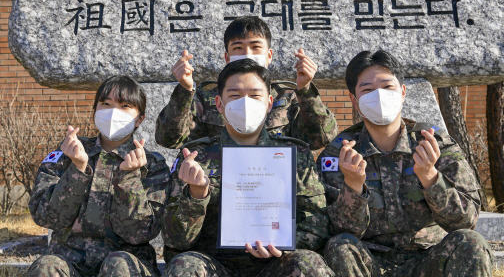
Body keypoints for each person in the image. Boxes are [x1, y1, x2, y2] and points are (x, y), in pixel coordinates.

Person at [319, 50, 493, 277]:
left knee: (472, 242)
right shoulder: (339, 153)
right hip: (370, 263)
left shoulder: (434, 144)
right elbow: (338, 231)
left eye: (387, 87)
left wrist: (431, 178)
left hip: (429, 259)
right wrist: (353, 187)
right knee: (339, 247)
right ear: (355, 100)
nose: (379, 96)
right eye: (368, 90)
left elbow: (465, 220)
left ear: (402, 92)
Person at [162, 59, 334, 277]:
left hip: (275, 265)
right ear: (219, 104)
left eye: (254, 95)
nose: (244, 103)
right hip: (214, 265)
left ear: (269, 103)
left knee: (309, 265)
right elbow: (175, 239)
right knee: (184, 266)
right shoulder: (196, 157)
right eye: (234, 95)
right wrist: (196, 195)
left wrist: (282, 245)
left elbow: (316, 224)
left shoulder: (294, 154)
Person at [27, 76, 171, 277]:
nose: (113, 112)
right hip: (68, 259)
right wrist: (77, 169)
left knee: (118, 265)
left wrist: (129, 178)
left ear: (140, 118)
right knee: (46, 267)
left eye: (125, 106)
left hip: (125, 262)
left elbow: (140, 232)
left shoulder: (151, 165)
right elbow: (47, 217)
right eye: (106, 104)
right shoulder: (66, 154)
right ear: (94, 110)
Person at [155, 16, 337, 151]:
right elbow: (170, 139)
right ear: (227, 57)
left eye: (255, 47)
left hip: (276, 182)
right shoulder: (207, 98)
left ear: (269, 55)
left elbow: (322, 138)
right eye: (238, 48)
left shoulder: (288, 98)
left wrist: (305, 90)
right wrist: (185, 90)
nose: (247, 53)